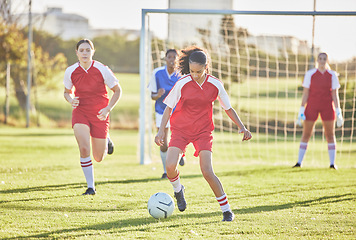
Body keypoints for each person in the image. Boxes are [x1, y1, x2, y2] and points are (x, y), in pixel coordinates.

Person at [154, 46, 252, 221]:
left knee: (207, 170)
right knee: (170, 166)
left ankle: (227, 210)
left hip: (203, 132)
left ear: (206, 68)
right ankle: (178, 190)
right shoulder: (182, 83)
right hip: (181, 130)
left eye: (199, 71)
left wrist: (242, 127)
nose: (195, 75)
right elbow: (168, 108)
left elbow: (228, 108)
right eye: (192, 71)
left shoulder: (215, 84)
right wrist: (161, 130)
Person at [63, 39, 122, 195]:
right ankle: (91, 187)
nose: (84, 53)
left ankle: (106, 138)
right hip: (80, 111)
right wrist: (71, 100)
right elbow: (66, 92)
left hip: (100, 114)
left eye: (88, 50)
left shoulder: (102, 69)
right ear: (76, 52)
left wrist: (108, 108)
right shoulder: (70, 71)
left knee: (98, 157)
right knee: (84, 148)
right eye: (81, 50)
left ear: (93, 52)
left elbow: (117, 91)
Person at [294, 52, 343, 169]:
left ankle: (332, 163)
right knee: (306, 134)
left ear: (327, 61)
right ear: (317, 60)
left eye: (324, 59)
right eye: (320, 58)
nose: (322, 61)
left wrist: (338, 111)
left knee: (330, 135)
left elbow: (335, 95)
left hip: (327, 107)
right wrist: (301, 109)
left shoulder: (332, 75)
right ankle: (299, 162)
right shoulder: (310, 74)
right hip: (312, 106)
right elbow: (305, 93)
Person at [148, 49, 185, 179]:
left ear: (177, 59)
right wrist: (157, 94)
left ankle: (180, 155)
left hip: (179, 112)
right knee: (163, 143)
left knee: (178, 140)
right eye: (169, 57)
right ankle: (165, 171)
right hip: (161, 111)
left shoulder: (182, 75)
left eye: (174, 57)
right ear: (165, 59)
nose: (171, 59)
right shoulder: (157, 73)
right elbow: (152, 95)